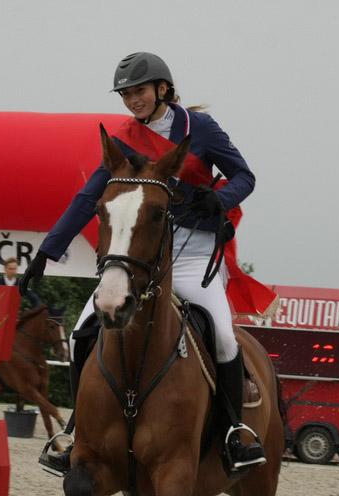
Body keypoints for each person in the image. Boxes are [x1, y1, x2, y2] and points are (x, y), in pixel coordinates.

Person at [20, 52, 266, 474]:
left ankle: (233, 432)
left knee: (224, 336)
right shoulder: (124, 140)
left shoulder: (200, 129)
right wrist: (47, 251)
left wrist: (220, 199)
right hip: (140, 256)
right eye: (126, 94)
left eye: (139, 91)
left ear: (163, 89)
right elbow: (88, 197)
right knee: (81, 333)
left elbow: (245, 176)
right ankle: (77, 430)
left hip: (191, 250)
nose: (133, 100)